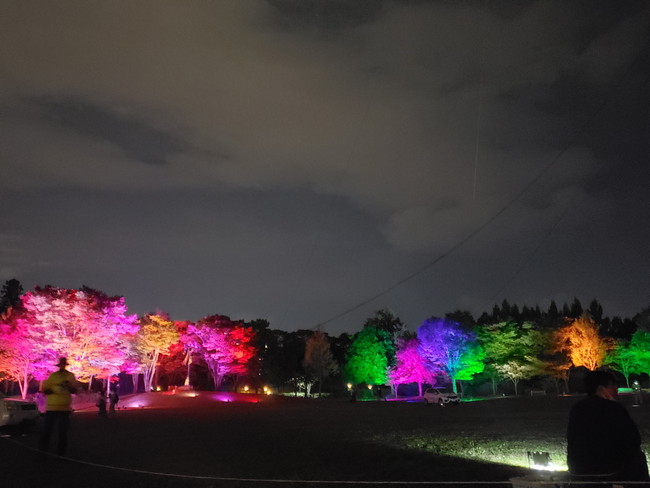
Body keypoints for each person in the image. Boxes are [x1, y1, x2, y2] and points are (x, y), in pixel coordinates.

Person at [567, 370, 649, 481]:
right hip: (608, 468)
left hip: (577, 467)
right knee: (638, 457)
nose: (616, 389)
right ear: (601, 388)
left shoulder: (577, 408)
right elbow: (634, 439)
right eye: (613, 385)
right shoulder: (614, 408)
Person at [39, 357, 79, 457]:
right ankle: (43, 452)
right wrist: (56, 388)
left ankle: (61, 453)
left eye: (63, 364)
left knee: (63, 432)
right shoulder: (53, 376)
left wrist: (68, 386)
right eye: (61, 364)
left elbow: (74, 390)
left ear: (65, 365)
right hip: (52, 407)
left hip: (64, 407)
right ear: (59, 365)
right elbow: (45, 390)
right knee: (47, 430)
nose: (62, 366)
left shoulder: (70, 376)